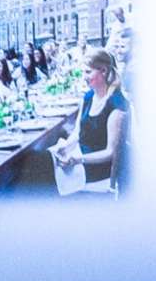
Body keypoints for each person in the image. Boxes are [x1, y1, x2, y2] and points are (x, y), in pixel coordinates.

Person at [53, 47, 127, 195]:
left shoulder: (116, 104)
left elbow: (110, 153)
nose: (84, 77)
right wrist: (66, 147)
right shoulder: (88, 97)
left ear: (104, 71)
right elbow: (78, 132)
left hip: (97, 170)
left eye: (88, 72)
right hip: (81, 160)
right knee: (40, 160)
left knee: (40, 172)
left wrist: (77, 160)